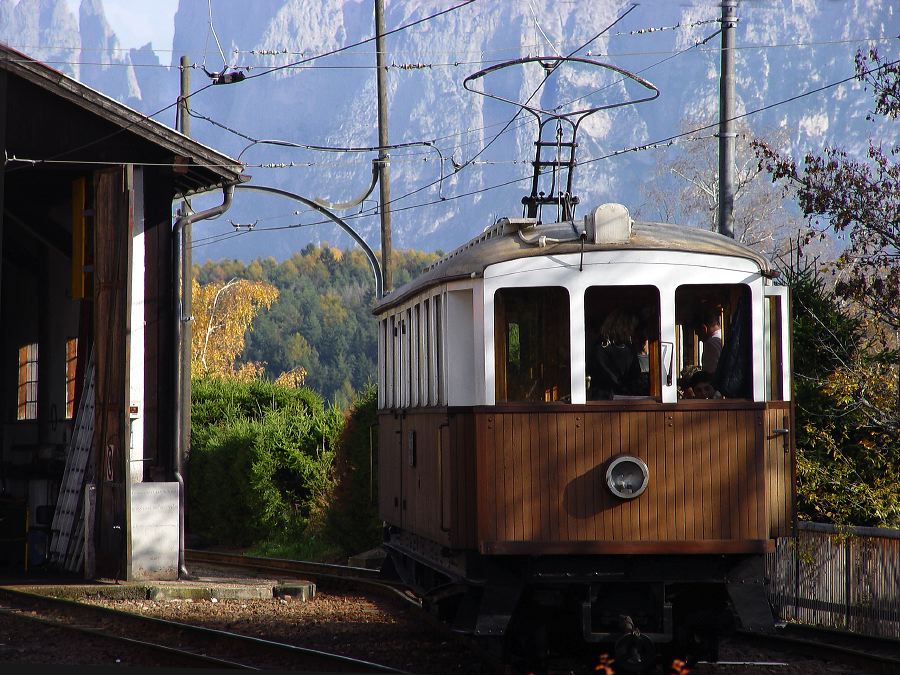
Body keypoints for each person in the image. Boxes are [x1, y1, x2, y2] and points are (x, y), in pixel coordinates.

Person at [589, 309, 646, 398]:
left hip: (601, 399)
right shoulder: (626, 351)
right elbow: (632, 379)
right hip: (617, 399)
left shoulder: (599, 347)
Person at [695, 307, 723, 375]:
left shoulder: (711, 344)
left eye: (698, 334)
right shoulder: (726, 336)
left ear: (704, 329)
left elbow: (709, 374)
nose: (699, 339)